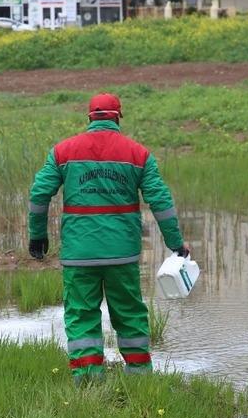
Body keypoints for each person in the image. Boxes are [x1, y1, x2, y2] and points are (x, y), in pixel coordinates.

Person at [27, 93, 188, 383]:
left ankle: (89, 381)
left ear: (89, 118)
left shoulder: (63, 152)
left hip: (79, 254)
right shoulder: (139, 155)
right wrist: (175, 243)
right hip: (122, 254)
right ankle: (139, 378)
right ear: (117, 117)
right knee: (129, 312)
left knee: (81, 314)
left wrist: (37, 235)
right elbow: (161, 202)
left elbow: (39, 194)